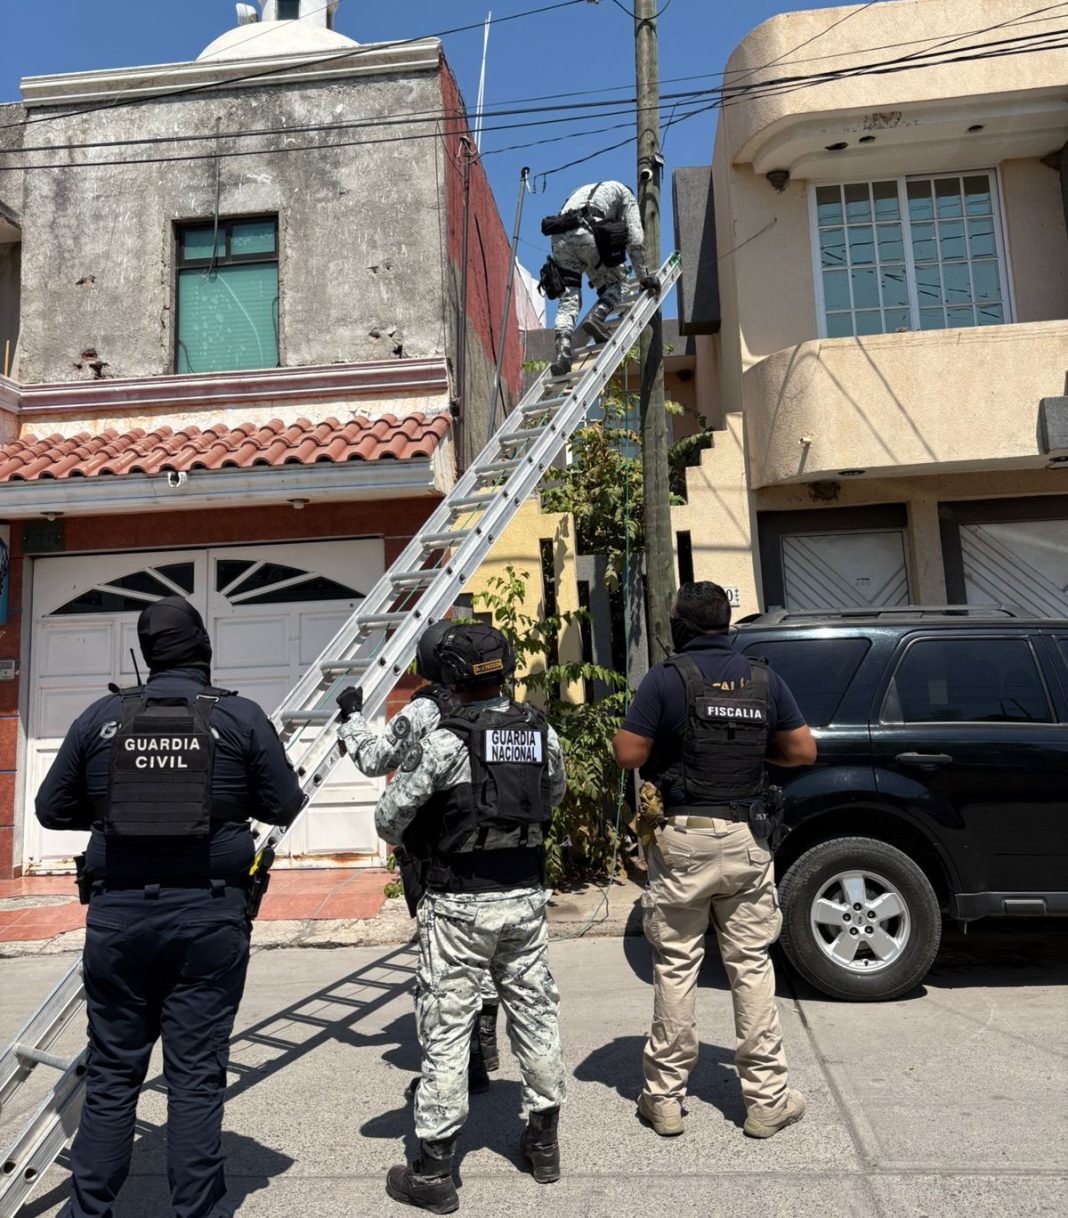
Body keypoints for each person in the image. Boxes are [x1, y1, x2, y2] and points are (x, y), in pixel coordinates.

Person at [36, 596, 305, 1218]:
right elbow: (284, 803)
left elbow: (51, 809)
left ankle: (88, 1211)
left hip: (118, 921)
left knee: (112, 1075)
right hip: (207, 919)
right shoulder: (238, 717)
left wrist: (112, 811)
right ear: (203, 649)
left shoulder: (100, 719)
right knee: (195, 1078)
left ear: (147, 653)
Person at [611, 581, 817, 1141]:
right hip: (746, 836)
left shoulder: (666, 679)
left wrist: (668, 740)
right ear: (726, 623)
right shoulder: (763, 678)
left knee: (677, 963)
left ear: (680, 624)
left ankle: (664, 1100)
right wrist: (755, 749)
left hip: (683, 840)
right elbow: (802, 751)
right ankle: (767, 1101)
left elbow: (628, 753)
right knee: (750, 965)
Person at [374, 623, 567, 1213]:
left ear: (452, 676)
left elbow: (388, 819)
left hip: (458, 904)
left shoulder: (444, 741)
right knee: (535, 1013)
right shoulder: (539, 730)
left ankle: (434, 1170)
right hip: (525, 897)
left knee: (447, 1027)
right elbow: (554, 795)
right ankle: (544, 1145)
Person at [335, 621, 504, 1092]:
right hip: (498, 851)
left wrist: (351, 716)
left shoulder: (427, 709)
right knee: (486, 952)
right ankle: (485, 1040)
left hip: (440, 851)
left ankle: (466, 1064)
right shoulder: (498, 705)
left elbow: (375, 759)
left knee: (444, 966)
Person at [541, 179, 661, 377]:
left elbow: (588, 258)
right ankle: (597, 317)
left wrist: (599, 281)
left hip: (559, 237)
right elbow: (635, 239)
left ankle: (562, 353)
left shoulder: (581, 189)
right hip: (588, 232)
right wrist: (644, 277)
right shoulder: (626, 195)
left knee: (569, 299)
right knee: (619, 286)